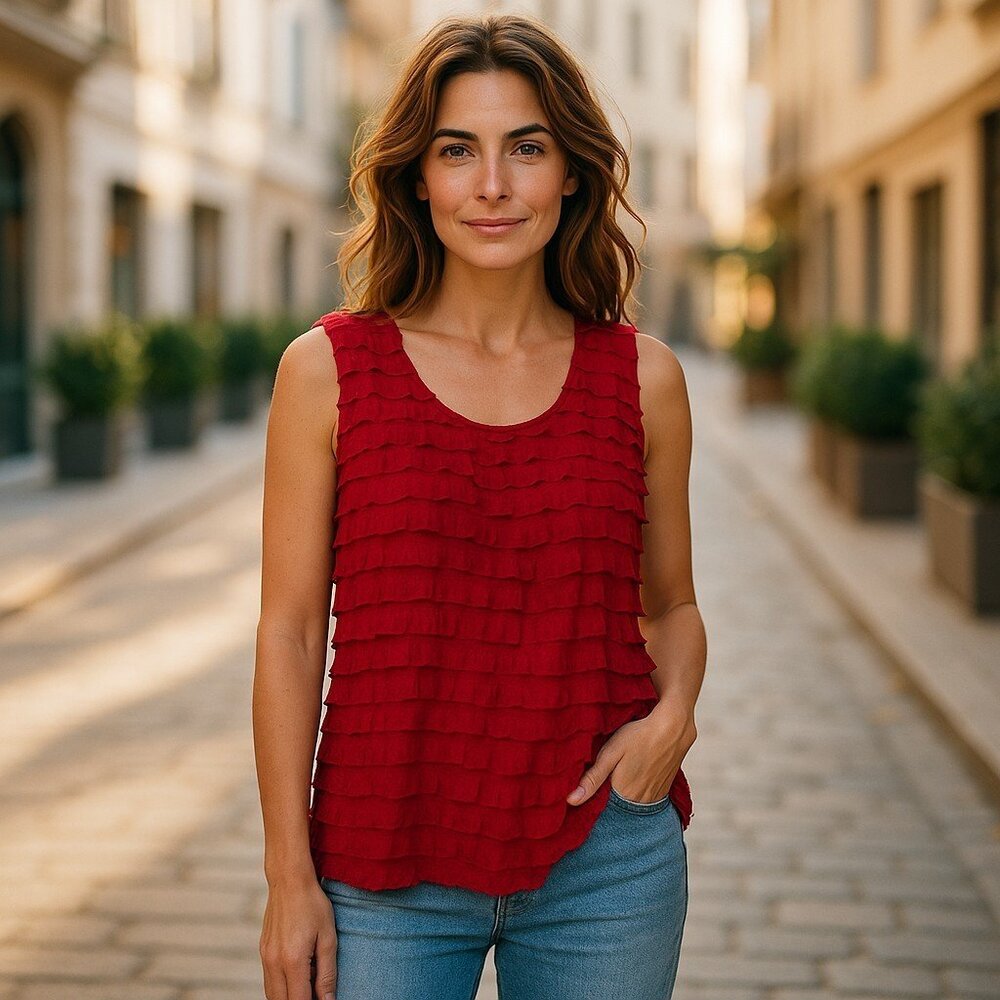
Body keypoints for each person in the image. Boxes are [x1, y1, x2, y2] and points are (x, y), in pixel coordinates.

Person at [252, 12, 706, 1000]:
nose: (492, 185)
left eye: (527, 149)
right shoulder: (327, 372)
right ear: (418, 175)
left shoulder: (645, 380)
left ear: (573, 172)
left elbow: (670, 602)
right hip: (381, 866)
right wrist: (290, 876)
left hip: (606, 861)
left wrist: (674, 714)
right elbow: (289, 633)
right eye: (458, 151)